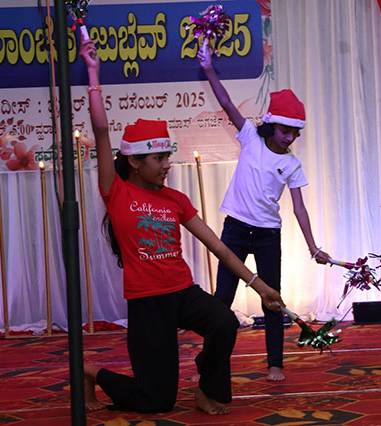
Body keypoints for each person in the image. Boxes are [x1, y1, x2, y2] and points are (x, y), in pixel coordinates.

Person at [79, 39, 285, 416]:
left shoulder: (175, 199)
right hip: (147, 302)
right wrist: (93, 73)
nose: (167, 165)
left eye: (167, 157)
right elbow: (102, 130)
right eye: (159, 158)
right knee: (156, 401)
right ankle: (93, 373)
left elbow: (219, 247)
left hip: (183, 292)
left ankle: (207, 389)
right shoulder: (116, 191)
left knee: (223, 322)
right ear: (135, 162)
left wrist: (260, 286)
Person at [197, 45, 331, 381]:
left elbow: (299, 207)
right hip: (235, 230)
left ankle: (275, 363)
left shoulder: (292, 164)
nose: (290, 138)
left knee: (272, 299)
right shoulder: (250, 139)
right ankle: (209, 364)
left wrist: (313, 247)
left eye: (295, 133)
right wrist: (209, 68)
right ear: (271, 126)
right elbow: (227, 103)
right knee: (222, 298)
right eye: (285, 131)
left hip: (268, 234)